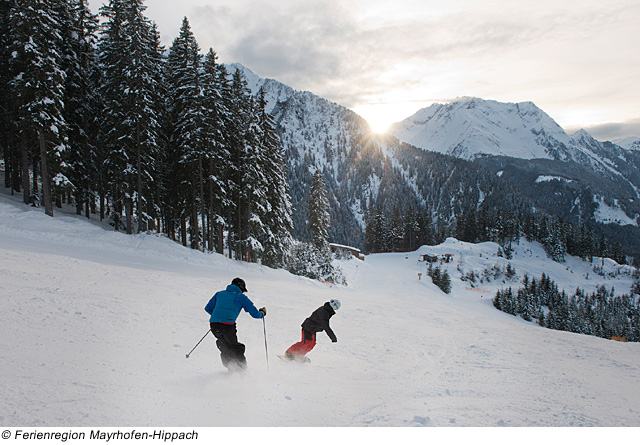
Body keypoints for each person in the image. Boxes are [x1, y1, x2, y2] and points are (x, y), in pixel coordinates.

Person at [204, 277, 266, 371]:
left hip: (214, 324)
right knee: (235, 347)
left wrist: (218, 317)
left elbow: (208, 308)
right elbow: (254, 313)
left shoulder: (219, 294)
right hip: (227, 326)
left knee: (223, 343)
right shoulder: (240, 297)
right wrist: (262, 314)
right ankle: (242, 370)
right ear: (241, 288)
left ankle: (230, 366)